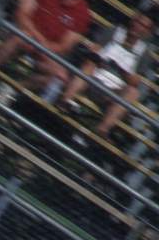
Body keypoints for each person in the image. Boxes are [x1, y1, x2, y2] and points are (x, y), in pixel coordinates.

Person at [0, 0, 91, 94]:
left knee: (60, 76)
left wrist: (42, 46)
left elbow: (64, 46)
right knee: (20, 37)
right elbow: (22, 15)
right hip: (24, 34)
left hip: (46, 51)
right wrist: (38, 40)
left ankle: (12, 89)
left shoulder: (83, 13)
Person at [59, 12, 154, 143]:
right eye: (138, 22)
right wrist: (101, 59)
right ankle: (65, 100)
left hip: (113, 91)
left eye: (143, 26)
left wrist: (123, 70)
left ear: (147, 31)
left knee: (132, 92)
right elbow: (94, 49)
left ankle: (103, 128)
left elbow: (135, 81)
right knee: (89, 65)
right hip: (94, 78)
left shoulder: (143, 52)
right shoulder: (114, 32)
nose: (138, 27)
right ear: (133, 21)